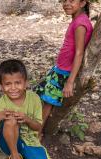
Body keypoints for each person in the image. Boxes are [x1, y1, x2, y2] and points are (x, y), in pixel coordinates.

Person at [35, 0, 93, 136]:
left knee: (47, 103)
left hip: (65, 72)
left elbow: (79, 52)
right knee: (41, 97)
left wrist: (70, 81)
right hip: (59, 69)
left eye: (72, 1)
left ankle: (37, 135)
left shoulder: (80, 23)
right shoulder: (77, 19)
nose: (67, 3)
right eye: (64, 0)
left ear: (83, 3)